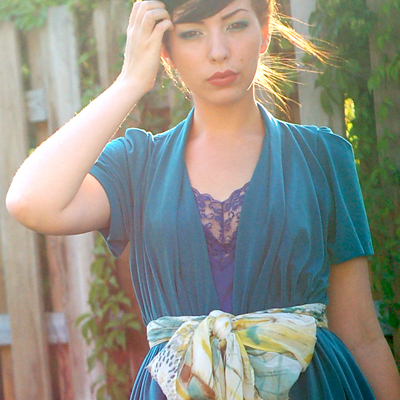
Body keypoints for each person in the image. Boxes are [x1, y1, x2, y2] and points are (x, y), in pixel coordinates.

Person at [6, 0, 400, 398]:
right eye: (192, 33)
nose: (218, 51)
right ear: (166, 51)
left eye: (235, 25)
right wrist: (130, 82)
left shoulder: (322, 157)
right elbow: (31, 202)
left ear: (264, 33)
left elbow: (362, 336)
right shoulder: (137, 165)